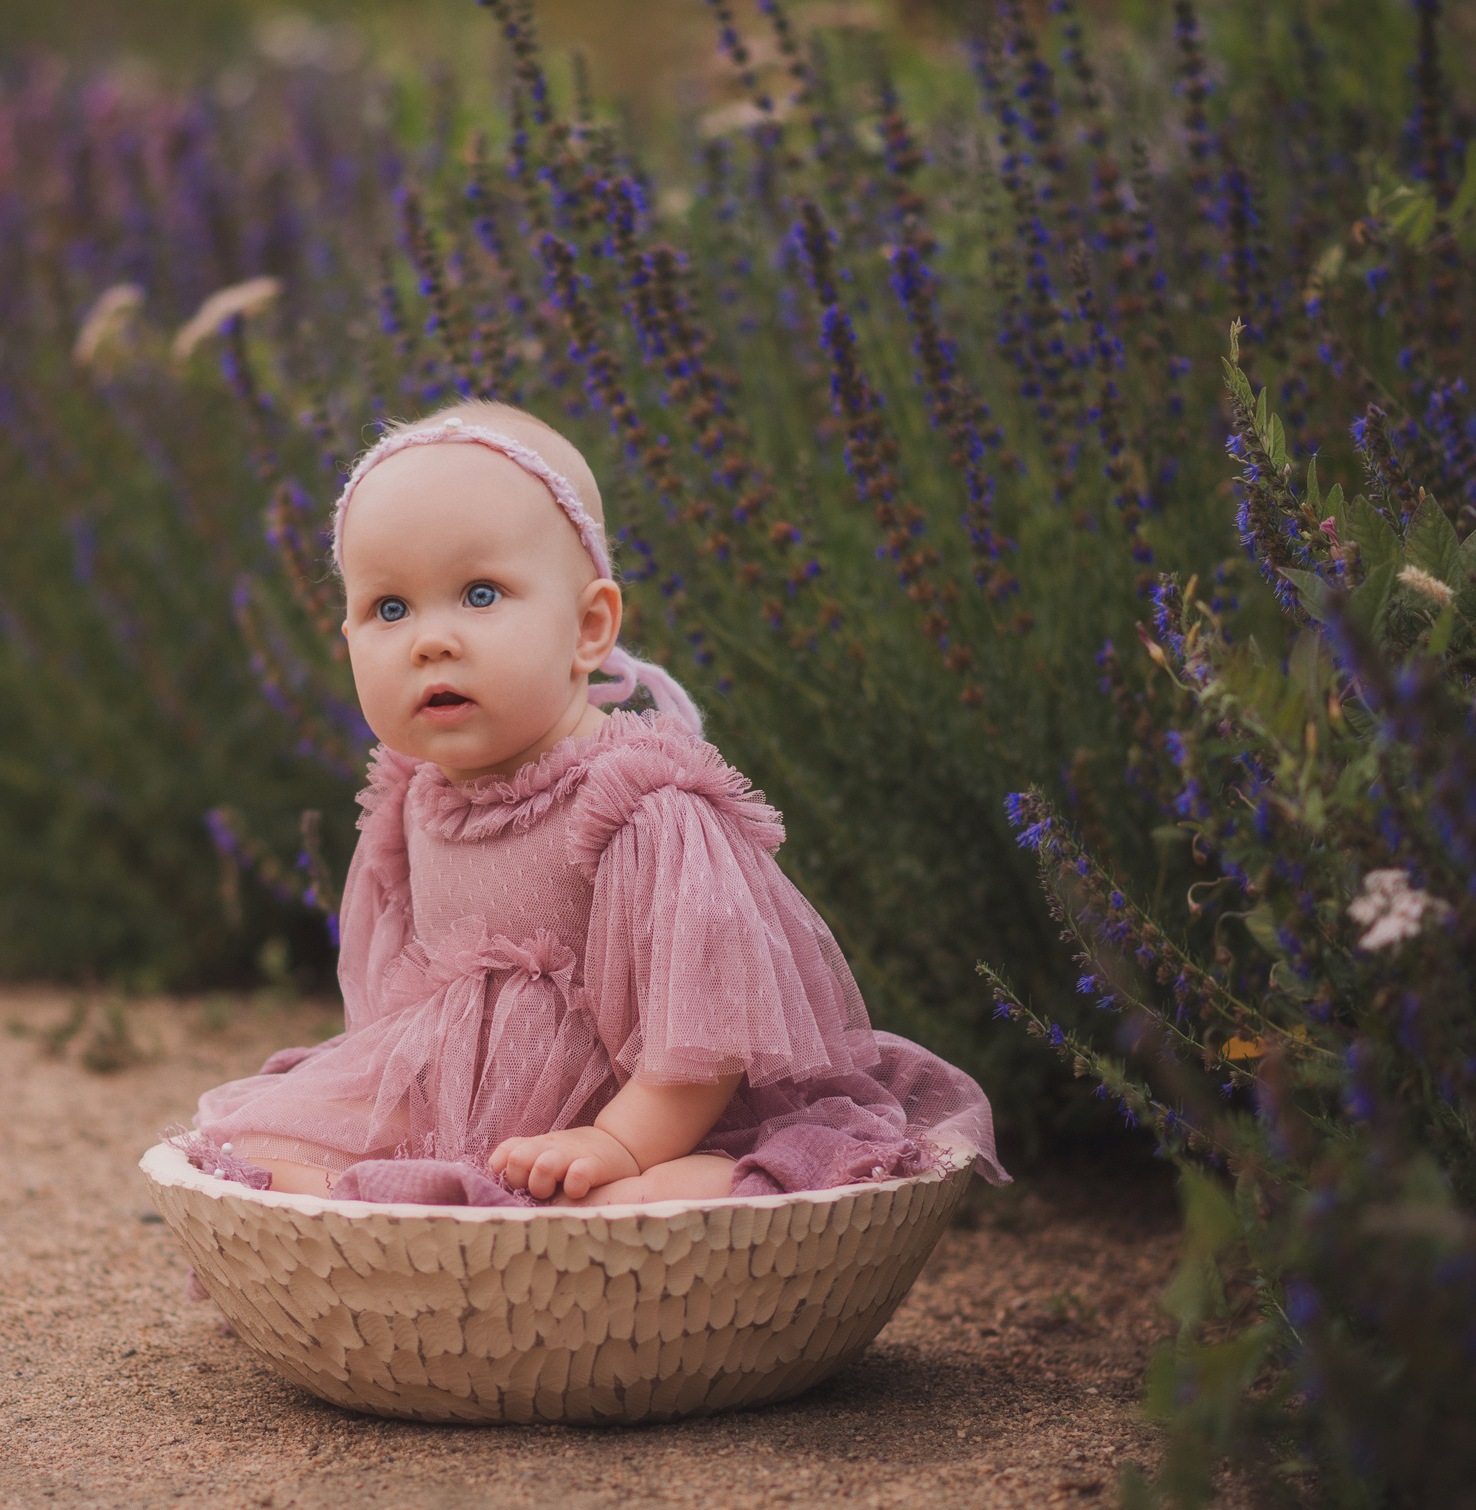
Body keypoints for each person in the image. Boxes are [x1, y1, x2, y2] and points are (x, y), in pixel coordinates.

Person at [178, 402, 1004, 1206]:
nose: (430, 637)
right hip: (465, 1109)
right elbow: (390, 1012)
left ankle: (663, 1193)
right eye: (388, 608)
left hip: (656, 1117)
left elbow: (706, 1035)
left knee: (639, 1194)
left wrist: (617, 1143)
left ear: (590, 626)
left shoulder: (637, 802)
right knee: (247, 1147)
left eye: (479, 593)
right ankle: (408, 1196)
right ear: (349, 639)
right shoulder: (405, 802)